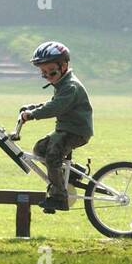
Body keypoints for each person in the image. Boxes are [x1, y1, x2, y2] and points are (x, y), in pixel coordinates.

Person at [19, 41, 93, 213]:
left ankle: (59, 197)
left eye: (50, 70)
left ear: (64, 65)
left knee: (53, 155)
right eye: (43, 73)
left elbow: (56, 107)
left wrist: (33, 114)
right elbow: (53, 103)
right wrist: (33, 107)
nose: (47, 75)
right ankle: (73, 173)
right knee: (40, 148)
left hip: (76, 131)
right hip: (65, 129)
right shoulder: (62, 83)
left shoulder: (70, 86)